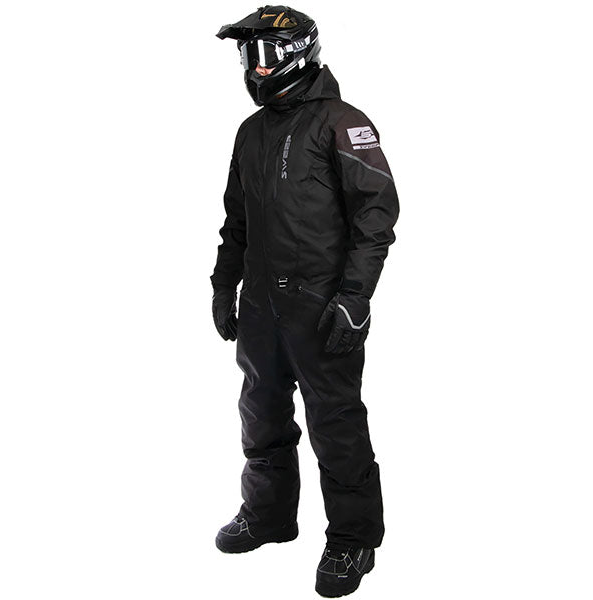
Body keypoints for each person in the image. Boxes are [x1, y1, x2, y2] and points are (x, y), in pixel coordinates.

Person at [211, 6, 400, 597]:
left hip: (322, 306)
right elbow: (236, 220)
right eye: (249, 55)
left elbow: (377, 215)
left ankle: (353, 538)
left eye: (268, 53)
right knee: (261, 412)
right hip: (261, 306)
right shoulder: (250, 132)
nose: (258, 67)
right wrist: (223, 284)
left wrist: (354, 298)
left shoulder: (343, 123)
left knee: (335, 423)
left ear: (300, 53)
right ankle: (268, 515)